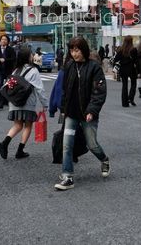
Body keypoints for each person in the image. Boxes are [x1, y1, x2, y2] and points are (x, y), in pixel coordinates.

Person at [54, 36, 109, 191]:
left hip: (87, 114)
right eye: (71, 50)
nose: (74, 53)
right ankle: (68, 176)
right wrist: (63, 110)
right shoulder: (69, 65)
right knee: (67, 145)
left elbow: (99, 92)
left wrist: (92, 110)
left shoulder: (94, 67)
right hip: (71, 113)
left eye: (76, 50)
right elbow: (65, 90)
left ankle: (104, 159)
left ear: (83, 50)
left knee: (92, 144)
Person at [0, 46, 48, 160]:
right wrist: (45, 104)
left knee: (17, 125)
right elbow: (40, 89)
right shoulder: (33, 70)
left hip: (14, 102)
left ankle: (5, 143)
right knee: (28, 125)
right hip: (27, 102)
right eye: (31, 54)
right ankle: (20, 150)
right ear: (28, 57)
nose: (32, 56)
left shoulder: (16, 70)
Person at [0, 35, 16, 107]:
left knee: (9, 86)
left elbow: (14, 59)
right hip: (0, 71)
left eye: (5, 40)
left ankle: (8, 101)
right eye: (2, 39)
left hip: (8, 70)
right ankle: (0, 103)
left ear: (7, 41)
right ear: (0, 41)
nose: (3, 41)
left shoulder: (11, 49)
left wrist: (5, 60)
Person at [112, 36, 138, 107]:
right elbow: (136, 61)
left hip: (123, 69)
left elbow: (115, 60)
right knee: (133, 84)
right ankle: (131, 98)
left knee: (124, 85)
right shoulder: (133, 49)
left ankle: (124, 103)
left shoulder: (121, 49)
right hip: (131, 68)